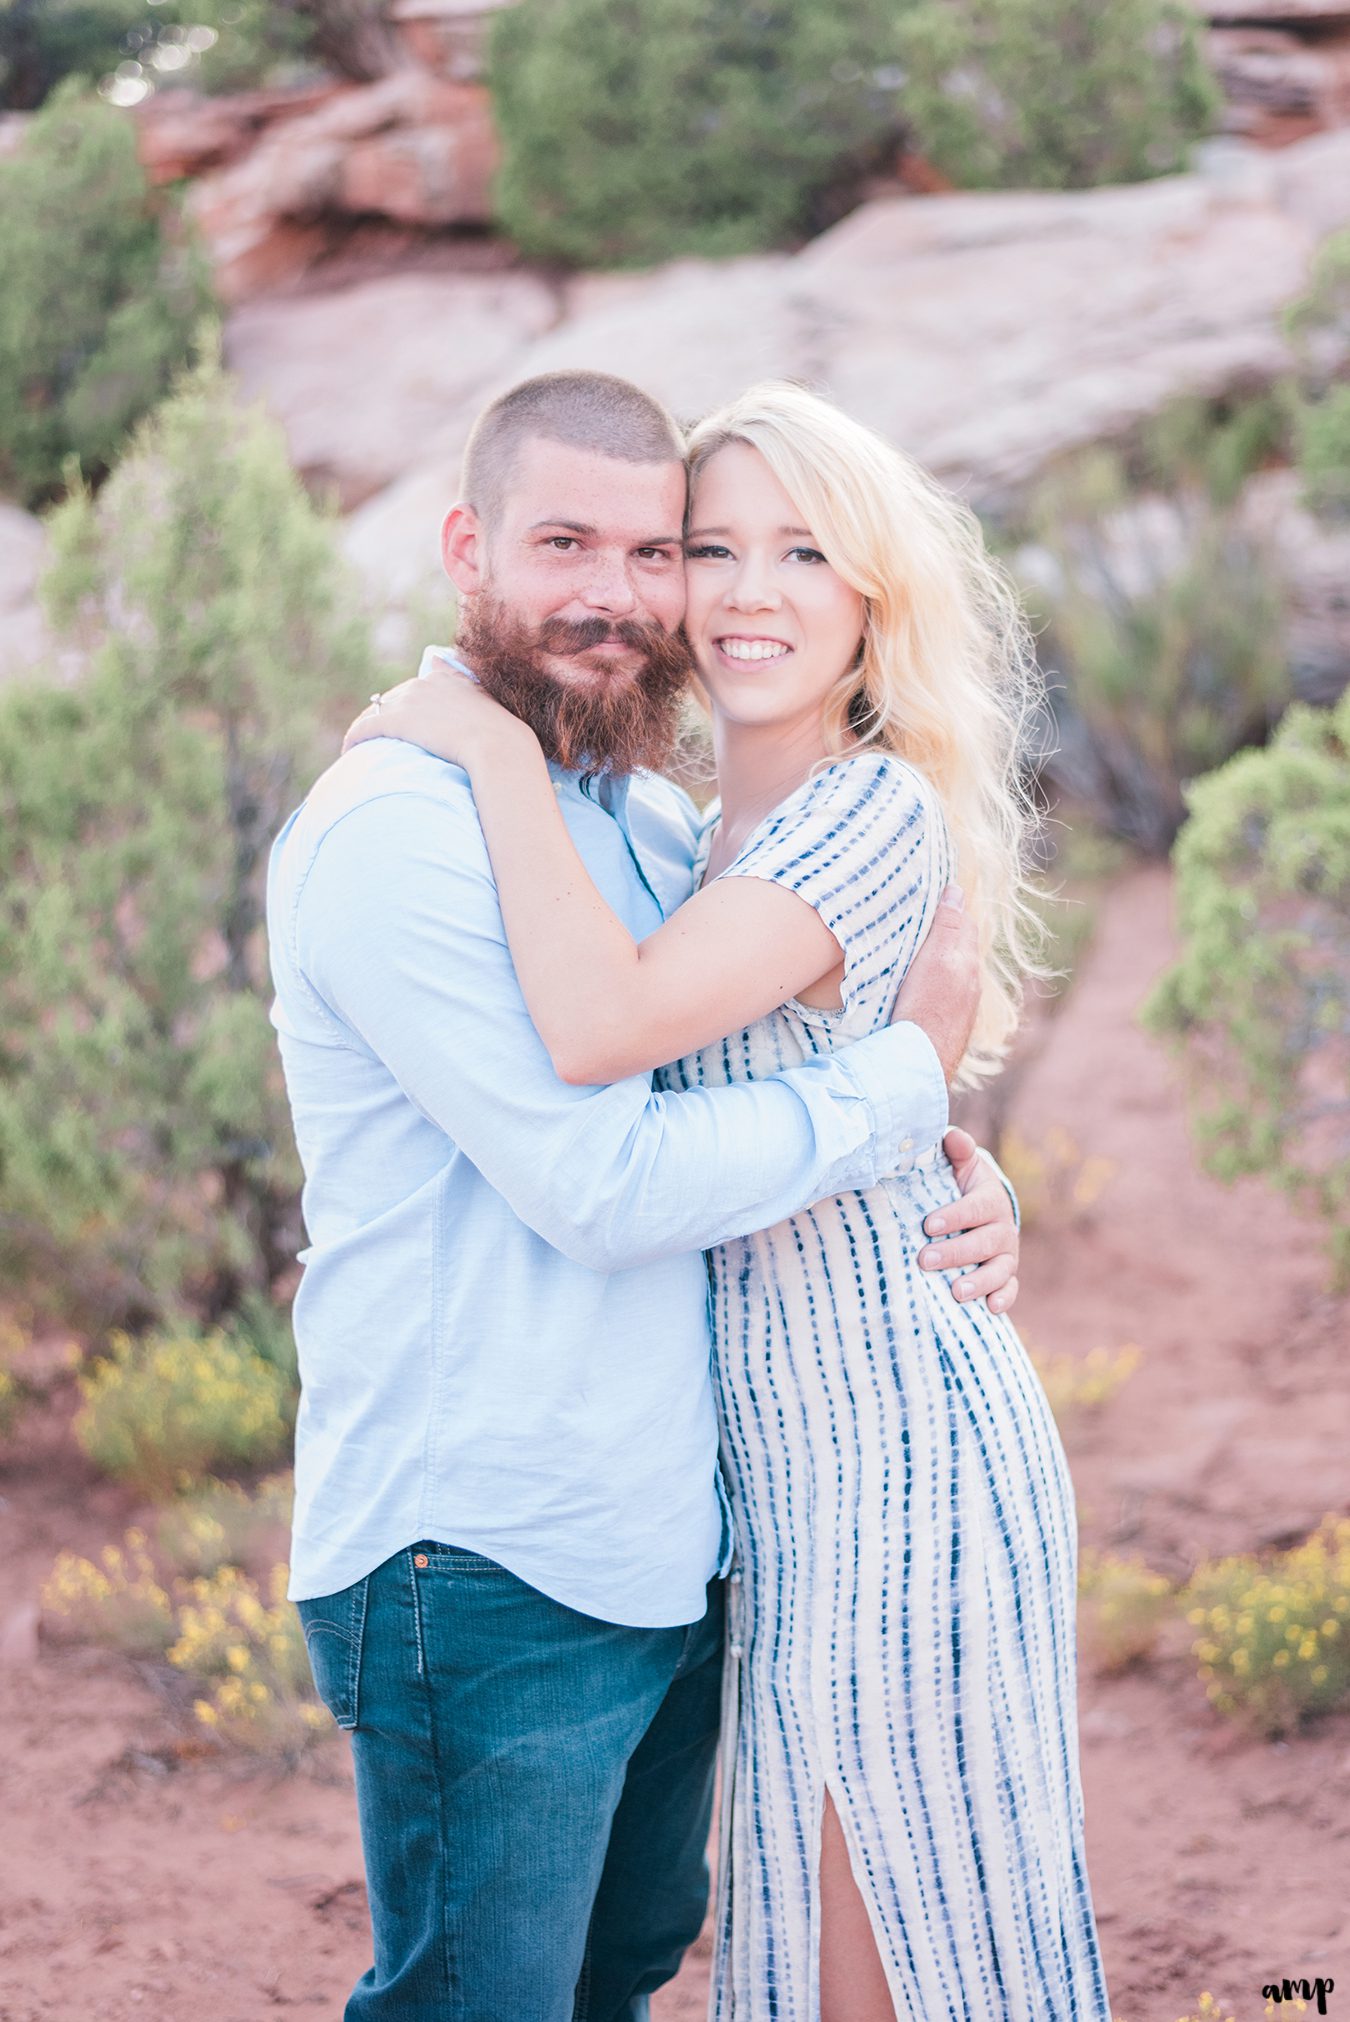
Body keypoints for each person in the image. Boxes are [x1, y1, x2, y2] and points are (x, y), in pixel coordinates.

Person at [348, 380, 1112, 2021]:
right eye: (714, 547)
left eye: (804, 553)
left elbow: (604, 1027)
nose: (747, 590)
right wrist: (946, 1148)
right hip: (784, 1480)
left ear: (870, 600)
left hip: (895, 1461)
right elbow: (805, 1095)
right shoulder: (688, 831)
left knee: (905, 1950)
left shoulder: (857, 813)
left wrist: (477, 738)